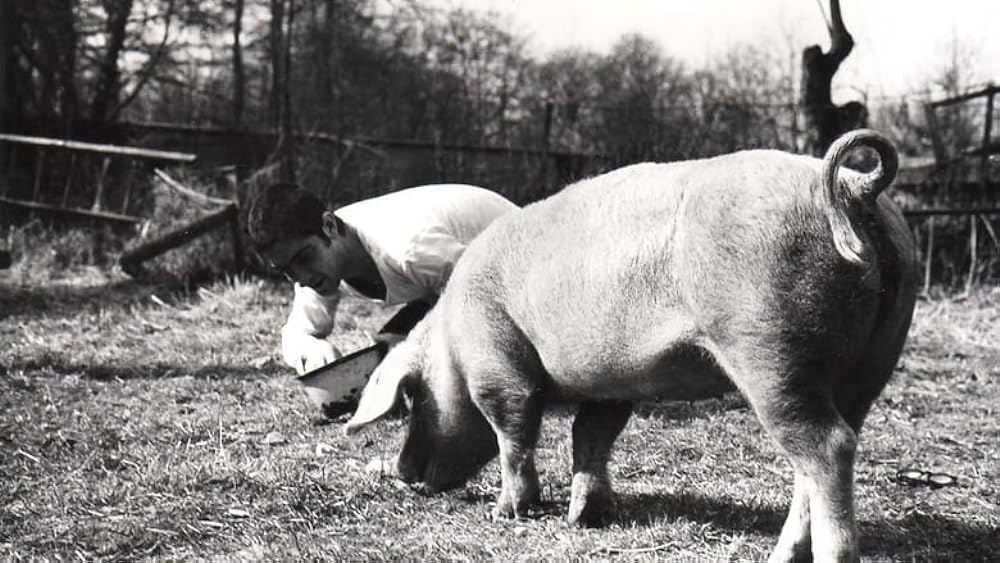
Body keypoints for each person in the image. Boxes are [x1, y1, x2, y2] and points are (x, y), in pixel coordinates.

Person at [247, 182, 518, 375]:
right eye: (286, 270)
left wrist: (416, 348)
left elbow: (480, 297)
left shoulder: (407, 248)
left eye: (304, 259)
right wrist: (312, 348)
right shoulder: (314, 269)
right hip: (464, 280)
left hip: (524, 258)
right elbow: (295, 333)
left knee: (405, 354)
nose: (301, 278)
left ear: (329, 226)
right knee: (385, 353)